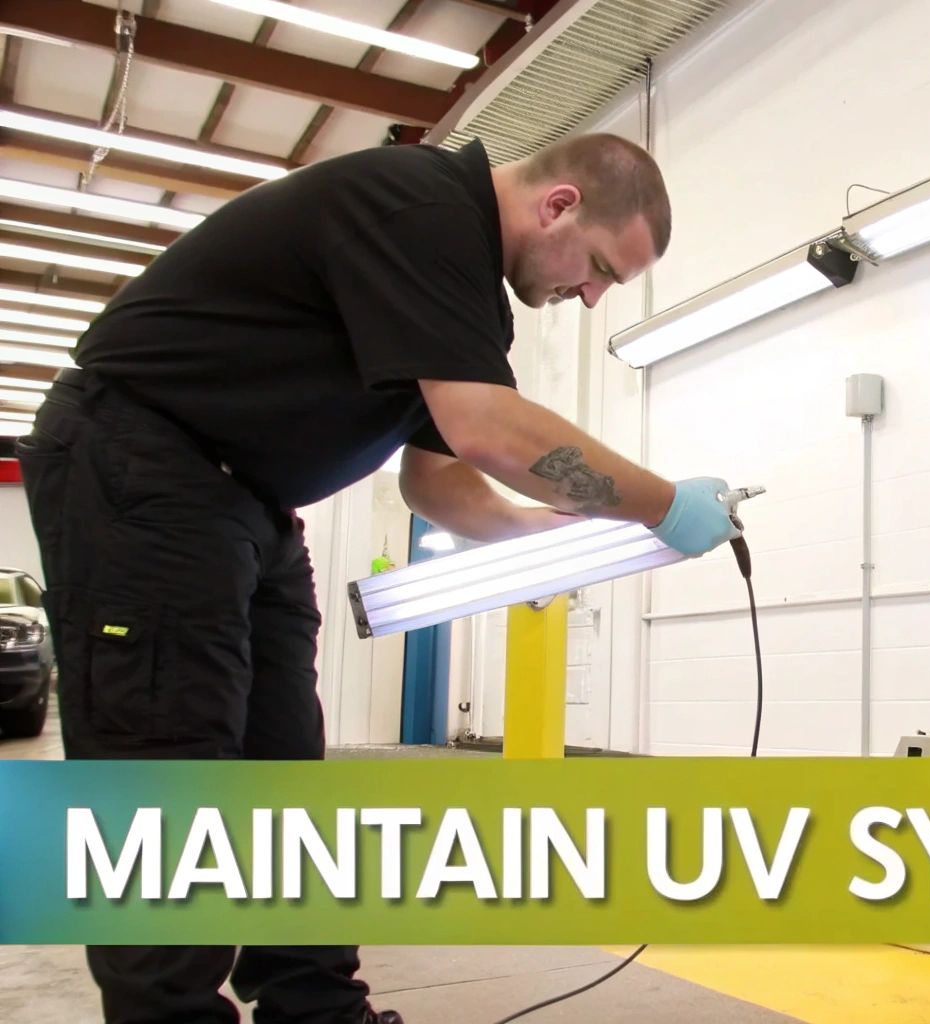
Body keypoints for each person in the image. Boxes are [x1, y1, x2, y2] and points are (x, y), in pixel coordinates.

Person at [17, 133, 737, 1024]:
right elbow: (486, 428)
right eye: (597, 269)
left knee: (290, 779)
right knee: (168, 775)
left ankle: (314, 1010)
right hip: (142, 469)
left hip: (251, 507)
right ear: (558, 206)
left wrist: (540, 542)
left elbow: (435, 477)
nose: (588, 299)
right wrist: (659, 503)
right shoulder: (420, 209)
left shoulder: (467, 294)